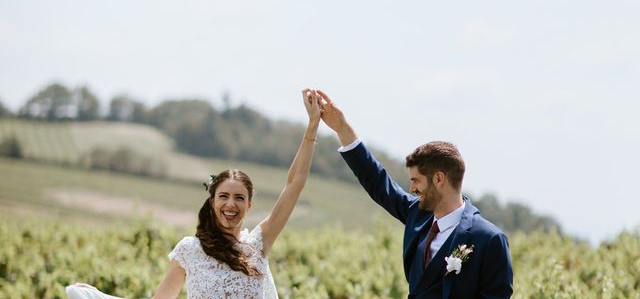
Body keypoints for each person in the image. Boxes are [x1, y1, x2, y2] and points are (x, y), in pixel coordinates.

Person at [66, 88, 322, 299]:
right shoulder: (189, 250)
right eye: (223, 196)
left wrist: (311, 128)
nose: (230, 204)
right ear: (212, 202)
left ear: (250, 205)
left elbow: (295, 183)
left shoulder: (258, 244)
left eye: (239, 197)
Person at [315, 90, 513, 299]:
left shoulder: (489, 239)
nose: (412, 189)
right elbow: (378, 182)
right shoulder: (417, 214)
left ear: (439, 179)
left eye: (416, 180)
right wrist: (342, 128)